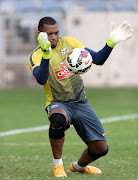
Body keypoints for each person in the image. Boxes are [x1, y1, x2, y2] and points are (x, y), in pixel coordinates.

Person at [28, 16, 133, 177]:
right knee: (58, 120)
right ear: (40, 34)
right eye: (49, 34)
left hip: (81, 103)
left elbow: (97, 59)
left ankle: (78, 166)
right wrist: (46, 54)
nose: (54, 37)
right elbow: (41, 79)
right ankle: (58, 165)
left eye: (56, 32)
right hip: (58, 103)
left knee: (100, 149)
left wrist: (111, 43)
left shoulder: (69, 42)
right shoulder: (35, 56)